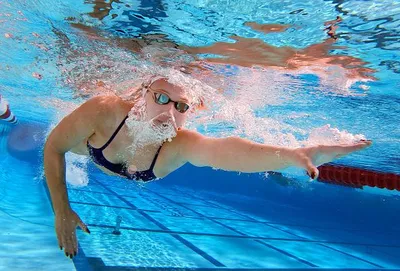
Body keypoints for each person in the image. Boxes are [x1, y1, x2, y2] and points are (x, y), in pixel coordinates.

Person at [44, 73, 372, 259]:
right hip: (85, 150)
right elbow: (54, 147)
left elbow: (223, 151)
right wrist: (62, 210)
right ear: (142, 93)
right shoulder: (105, 112)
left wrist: (290, 155)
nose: (169, 112)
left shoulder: (180, 144)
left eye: (181, 106)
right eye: (160, 98)